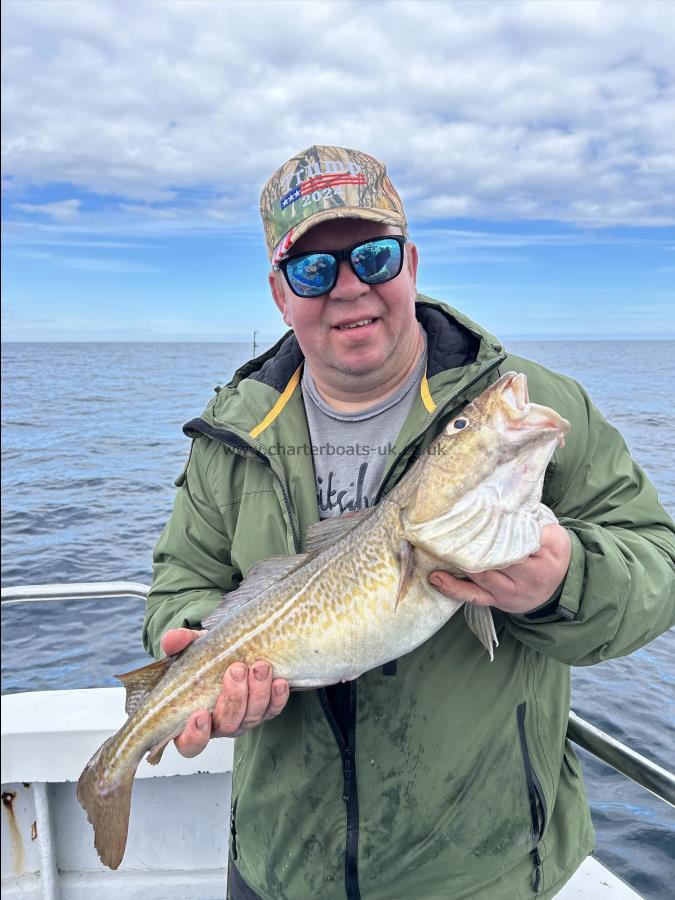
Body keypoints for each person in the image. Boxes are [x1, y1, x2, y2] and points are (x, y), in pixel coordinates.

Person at [143, 145, 675, 900]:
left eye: (374, 255)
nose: (349, 287)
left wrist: (564, 581)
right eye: (314, 269)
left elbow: (658, 565)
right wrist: (206, 644)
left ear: (411, 262)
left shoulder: (522, 408)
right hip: (277, 864)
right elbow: (180, 584)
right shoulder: (233, 431)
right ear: (279, 292)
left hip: (475, 874)